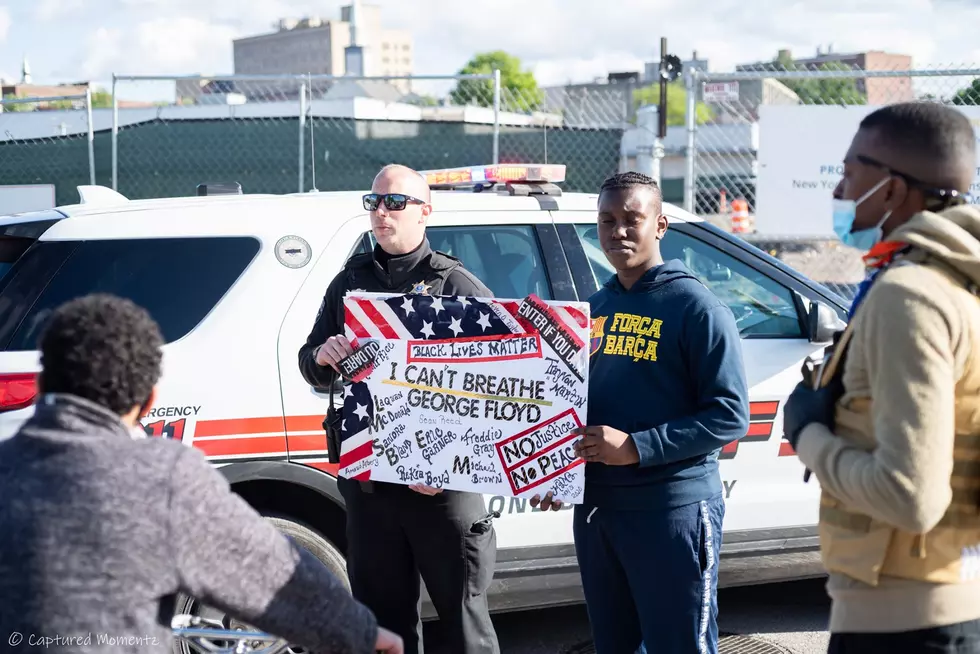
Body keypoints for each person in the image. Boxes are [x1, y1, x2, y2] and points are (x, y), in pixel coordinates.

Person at [0, 294, 402, 654]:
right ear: (149, 399)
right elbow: (273, 574)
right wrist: (361, 633)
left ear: (43, 381)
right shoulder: (162, 476)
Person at [782, 102, 980, 653]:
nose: (840, 191)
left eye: (849, 173)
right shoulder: (958, 283)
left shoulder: (909, 295)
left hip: (904, 626)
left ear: (892, 191)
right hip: (944, 604)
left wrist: (809, 436)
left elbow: (909, 497)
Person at [533, 172, 750, 653]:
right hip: (599, 512)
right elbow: (570, 404)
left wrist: (636, 447)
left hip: (672, 511)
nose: (618, 232)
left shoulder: (696, 307)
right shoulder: (594, 309)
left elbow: (730, 415)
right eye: (607, 221)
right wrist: (548, 470)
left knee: (680, 645)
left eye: (633, 219)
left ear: (661, 225)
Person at [297, 164, 500, 654]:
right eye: (373, 203)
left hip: (442, 490)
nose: (381, 213)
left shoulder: (457, 285)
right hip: (371, 485)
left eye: (395, 203)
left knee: (463, 626)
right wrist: (322, 357)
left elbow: (499, 390)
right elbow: (311, 361)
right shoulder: (349, 283)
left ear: (426, 212)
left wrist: (446, 465)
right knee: (382, 626)